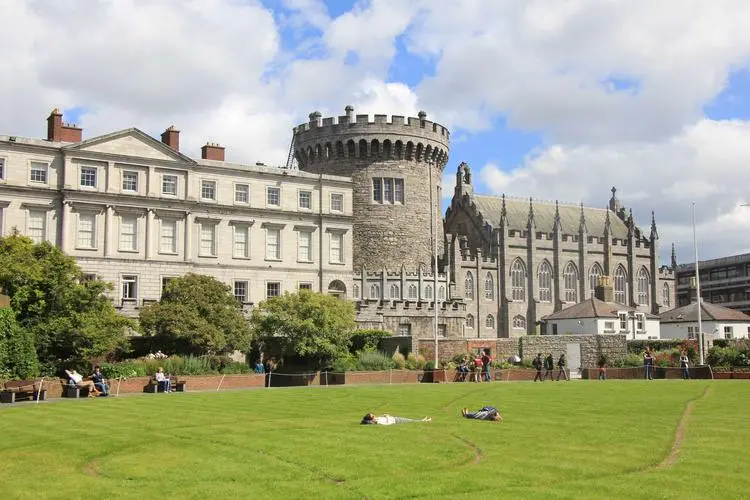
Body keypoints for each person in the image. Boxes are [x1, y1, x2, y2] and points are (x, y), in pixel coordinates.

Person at [360, 413, 431, 425]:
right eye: (373, 416)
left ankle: (423, 420)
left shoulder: (377, 419)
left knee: (411, 420)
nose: (374, 415)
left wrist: (385, 415)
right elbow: (387, 423)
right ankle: (424, 421)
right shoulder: (377, 422)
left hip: (395, 418)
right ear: (371, 418)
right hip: (395, 421)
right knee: (411, 421)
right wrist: (387, 416)